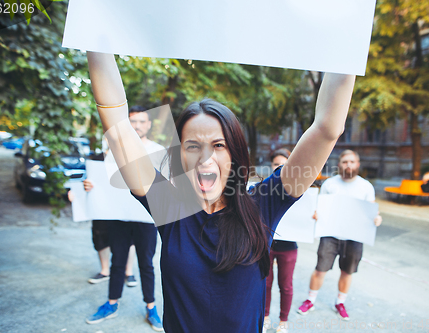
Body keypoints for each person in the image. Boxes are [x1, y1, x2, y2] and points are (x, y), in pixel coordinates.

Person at [87, 51, 356, 333]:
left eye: (218, 145)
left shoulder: (263, 203)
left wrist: (347, 44)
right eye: (192, 146)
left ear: (235, 153)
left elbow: (327, 128)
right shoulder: (169, 204)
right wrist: (95, 36)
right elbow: (117, 129)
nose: (205, 158)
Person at [85, 106, 164, 332]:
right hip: (117, 217)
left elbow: (169, 184)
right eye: (133, 122)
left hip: (146, 218)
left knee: (146, 264)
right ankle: (111, 304)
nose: (137, 126)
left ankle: (151, 308)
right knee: (117, 261)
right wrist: (90, 185)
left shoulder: (158, 151)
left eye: (141, 122)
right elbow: (101, 181)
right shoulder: (114, 151)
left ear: (148, 125)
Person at [297, 150, 382, 321]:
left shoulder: (366, 186)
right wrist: (316, 214)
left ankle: (340, 302)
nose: (348, 165)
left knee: (347, 271)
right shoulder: (330, 184)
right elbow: (319, 208)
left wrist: (377, 218)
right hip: (330, 235)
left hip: (355, 236)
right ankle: (310, 300)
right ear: (339, 165)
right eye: (345, 162)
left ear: (357, 164)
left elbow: (372, 210)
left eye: (351, 161)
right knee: (320, 269)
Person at [263, 149, 298, 333]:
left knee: (285, 285)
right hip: (266, 245)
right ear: (271, 166)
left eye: (284, 164)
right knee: (265, 283)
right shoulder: (263, 190)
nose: (280, 167)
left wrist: (315, 217)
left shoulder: (300, 190)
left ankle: (283, 320)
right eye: (276, 164)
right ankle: (266, 317)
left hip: (289, 246)